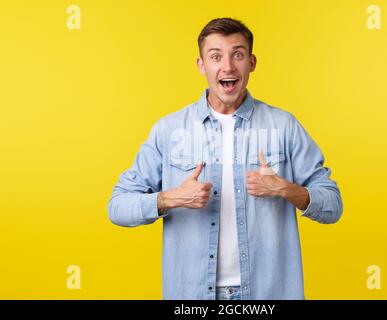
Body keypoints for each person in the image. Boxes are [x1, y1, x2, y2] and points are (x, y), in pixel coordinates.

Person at [108, 17, 343, 300]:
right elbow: (118, 207)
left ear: (252, 63)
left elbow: (333, 205)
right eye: (216, 56)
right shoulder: (169, 130)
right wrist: (171, 198)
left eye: (238, 54)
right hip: (192, 296)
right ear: (201, 65)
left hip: (268, 293)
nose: (228, 66)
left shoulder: (284, 126)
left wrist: (284, 189)